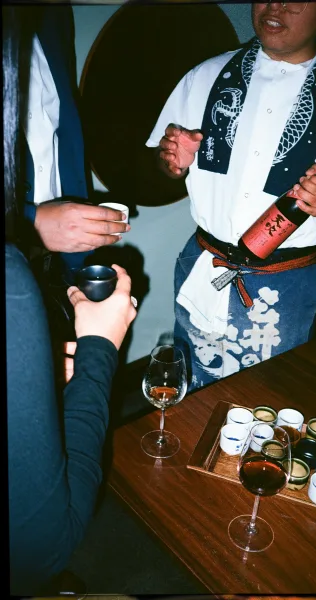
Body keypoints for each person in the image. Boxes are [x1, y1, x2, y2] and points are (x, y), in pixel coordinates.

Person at [146, 1, 316, 390]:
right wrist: (171, 161)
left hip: (285, 277)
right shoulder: (206, 76)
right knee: (192, 379)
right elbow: (166, 165)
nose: (275, 5)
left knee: (268, 393)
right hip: (205, 263)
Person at [4, 8, 137, 595]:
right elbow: (46, 545)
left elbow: (57, 134)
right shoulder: (10, 287)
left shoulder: (50, 15)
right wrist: (100, 348)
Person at [19, 3, 130, 285]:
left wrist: (76, 262)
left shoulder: (53, 13)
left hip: (56, 268)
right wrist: (28, 223)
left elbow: (62, 133)